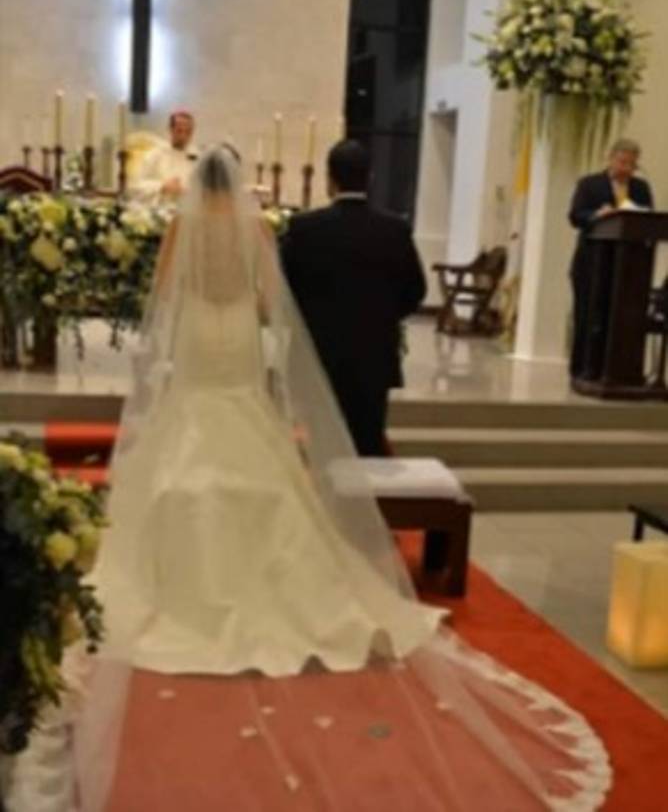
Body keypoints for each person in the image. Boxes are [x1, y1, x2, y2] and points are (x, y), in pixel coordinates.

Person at [65, 148, 608, 812]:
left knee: (191, 422)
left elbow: (163, 297)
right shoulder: (255, 225)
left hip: (195, 337)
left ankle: (180, 578)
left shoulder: (181, 227)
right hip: (234, 331)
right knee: (245, 420)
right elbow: (269, 300)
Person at [281, 140, 425, 455]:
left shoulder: (304, 229)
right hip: (374, 355)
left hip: (317, 355)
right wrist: (381, 316)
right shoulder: (394, 230)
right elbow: (416, 291)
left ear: (329, 179)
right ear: (369, 177)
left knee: (320, 447)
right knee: (367, 443)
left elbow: (285, 289)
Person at [569, 138, 653, 382]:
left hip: (627, 267)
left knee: (620, 317)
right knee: (588, 315)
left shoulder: (640, 188)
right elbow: (576, 216)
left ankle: (620, 371)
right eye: (623, 161)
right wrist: (598, 214)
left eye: (632, 164)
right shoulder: (590, 184)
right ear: (611, 158)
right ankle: (584, 368)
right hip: (593, 262)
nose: (626, 168)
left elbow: (647, 217)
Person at [133, 109, 200, 205]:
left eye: (188, 132)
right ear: (170, 129)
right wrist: (162, 186)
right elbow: (138, 186)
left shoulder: (198, 158)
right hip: (160, 210)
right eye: (179, 131)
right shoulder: (155, 155)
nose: (183, 136)